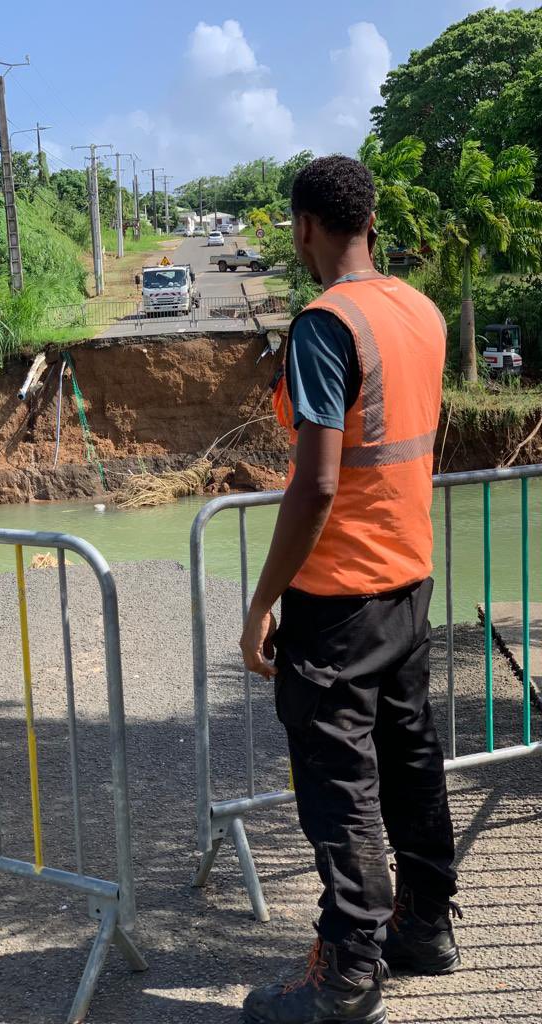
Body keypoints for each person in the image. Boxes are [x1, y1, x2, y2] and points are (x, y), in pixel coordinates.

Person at [238, 155, 460, 1024]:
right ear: (367, 220)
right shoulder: (420, 310)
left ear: (305, 227)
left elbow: (318, 482)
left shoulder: (327, 326)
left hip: (337, 597)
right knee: (410, 760)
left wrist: (263, 602)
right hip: (409, 579)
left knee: (339, 783)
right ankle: (426, 926)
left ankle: (347, 971)